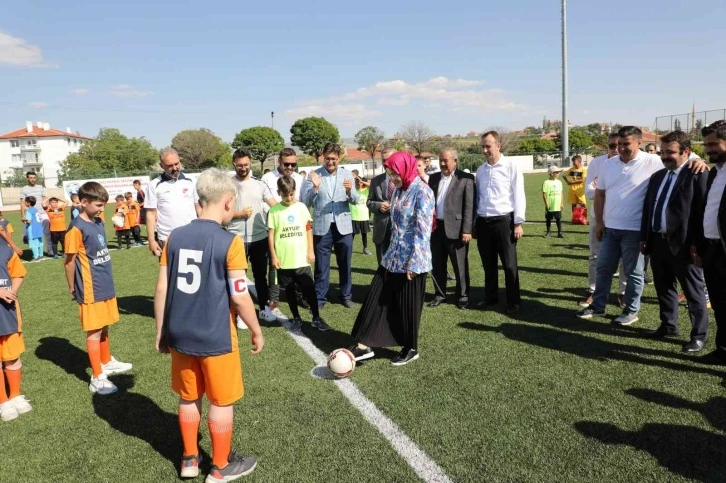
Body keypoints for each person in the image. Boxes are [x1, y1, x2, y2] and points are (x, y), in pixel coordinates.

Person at [154, 168, 262, 481]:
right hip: (215, 336)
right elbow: (241, 297)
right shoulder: (231, 242)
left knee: (188, 396)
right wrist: (255, 330)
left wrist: (161, 331)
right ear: (228, 202)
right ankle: (220, 467)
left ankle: (189, 459)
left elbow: (161, 287)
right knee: (221, 400)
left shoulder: (174, 236)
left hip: (180, 333)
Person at [577, 126, 707, 325]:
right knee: (603, 268)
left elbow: (683, 155)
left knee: (634, 273)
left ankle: (631, 311)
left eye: (626, 144)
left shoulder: (653, 161)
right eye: (618, 144)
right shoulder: (608, 164)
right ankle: (598, 305)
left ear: (639, 143)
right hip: (610, 228)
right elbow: (600, 193)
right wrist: (600, 222)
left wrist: (698, 160)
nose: (621, 148)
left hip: (635, 229)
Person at [349, 152, 434, 366]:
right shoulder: (398, 190)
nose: (393, 178)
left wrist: (414, 264)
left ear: (406, 168)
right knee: (376, 298)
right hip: (392, 258)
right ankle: (364, 344)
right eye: (390, 173)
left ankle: (410, 348)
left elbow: (423, 232)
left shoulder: (423, 191)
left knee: (408, 306)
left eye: (395, 173)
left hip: (413, 261)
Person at [639, 131, 709, 353]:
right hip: (658, 242)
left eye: (670, 152)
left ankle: (698, 336)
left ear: (686, 152)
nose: (665, 156)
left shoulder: (698, 174)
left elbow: (702, 213)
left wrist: (698, 245)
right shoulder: (657, 176)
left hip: (685, 244)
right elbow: (648, 209)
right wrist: (645, 236)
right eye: (663, 151)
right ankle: (668, 326)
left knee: (693, 292)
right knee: (664, 287)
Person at [64, 182, 132, 396]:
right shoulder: (75, 228)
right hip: (90, 286)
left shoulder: (99, 221)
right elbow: (68, 261)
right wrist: (72, 286)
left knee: (104, 326)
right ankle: (97, 377)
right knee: (94, 331)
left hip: (105, 282)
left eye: (104, 205)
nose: (102, 209)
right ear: (83, 202)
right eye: (98, 205)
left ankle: (105, 361)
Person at [227, 149, 285, 325]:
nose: (243, 168)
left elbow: (274, 206)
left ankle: (264, 310)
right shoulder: (227, 185)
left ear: (250, 163)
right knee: (238, 278)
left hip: (259, 238)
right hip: (235, 238)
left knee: (260, 277)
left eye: (245, 164)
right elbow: (222, 213)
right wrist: (238, 214)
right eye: (239, 165)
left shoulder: (259, 184)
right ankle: (240, 315)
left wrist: (291, 208)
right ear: (234, 164)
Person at [301, 142, 359, 309]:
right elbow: (305, 202)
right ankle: (319, 298)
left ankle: (346, 295)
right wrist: (315, 187)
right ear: (323, 158)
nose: (330, 162)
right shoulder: (313, 175)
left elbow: (355, 200)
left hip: (344, 226)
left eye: (333, 158)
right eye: (327, 158)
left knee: (345, 263)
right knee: (321, 266)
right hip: (322, 226)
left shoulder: (347, 174)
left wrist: (349, 191)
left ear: (339, 158)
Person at [475, 131, 526, 315]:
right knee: (488, 264)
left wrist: (518, 222)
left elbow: (519, 194)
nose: (485, 150)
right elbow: (478, 197)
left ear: (498, 145)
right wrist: (475, 223)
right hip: (483, 222)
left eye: (488, 146)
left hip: (504, 221)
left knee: (509, 264)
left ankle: (513, 300)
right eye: (483, 146)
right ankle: (491, 298)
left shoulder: (511, 167)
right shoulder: (480, 171)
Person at [268, 175, 327, 331]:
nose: (289, 197)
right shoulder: (274, 211)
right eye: (285, 194)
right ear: (278, 192)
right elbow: (271, 235)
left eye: (291, 194)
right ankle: (296, 318)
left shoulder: (301, 207)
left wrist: (311, 251)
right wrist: (273, 255)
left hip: (301, 259)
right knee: (289, 290)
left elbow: (308, 229)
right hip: (284, 259)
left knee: (309, 289)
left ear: (294, 191)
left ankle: (316, 317)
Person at [581, 133, 627, 307]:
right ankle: (593, 291)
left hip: (622, 218)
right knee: (595, 256)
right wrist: (610, 191)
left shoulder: (631, 163)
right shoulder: (597, 163)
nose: (616, 149)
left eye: (620, 144)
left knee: (624, 258)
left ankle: (622, 293)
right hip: (598, 216)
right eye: (612, 146)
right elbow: (590, 192)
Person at [694, 120, 726, 364]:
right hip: (713, 248)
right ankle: (723, 350)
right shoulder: (715, 171)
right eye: (706, 145)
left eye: (714, 143)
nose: (708, 149)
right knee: (719, 302)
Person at [428, 148, 475, 310]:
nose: (442, 163)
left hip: (457, 230)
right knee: (437, 264)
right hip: (436, 229)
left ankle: (462, 296)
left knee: (459, 265)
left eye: (445, 160)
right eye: (440, 160)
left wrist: (467, 230)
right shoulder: (433, 178)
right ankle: (440, 294)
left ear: (455, 161)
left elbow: (469, 207)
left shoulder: (466, 178)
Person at [260, 148, 305, 311]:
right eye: (287, 164)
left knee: (299, 262)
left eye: (294, 164)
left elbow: (301, 203)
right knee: (274, 263)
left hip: (295, 228)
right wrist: (281, 211)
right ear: (279, 161)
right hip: (275, 226)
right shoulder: (267, 178)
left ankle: (300, 295)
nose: (291, 167)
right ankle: (273, 298)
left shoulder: (299, 179)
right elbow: (263, 202)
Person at [146, 148, 200, 257]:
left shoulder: (191, 181)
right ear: (162, 166)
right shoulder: (154, 185)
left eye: (177, 164)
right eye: (170, 165)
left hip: (192, 236)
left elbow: (199, 208)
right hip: (166, 238)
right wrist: (151, 241)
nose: (175, 168)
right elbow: (150, 214)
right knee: (168, 273)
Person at [0, 242, 28, 422]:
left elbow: (18, 273)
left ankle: (15, 395)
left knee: (13, 356)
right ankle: (3, 401)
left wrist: (12, 291)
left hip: (7, 312)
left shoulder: (4, 248)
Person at [367, 147, 397, 265]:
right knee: (383, 262)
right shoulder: (375, 181)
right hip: (381, 228)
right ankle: (383, 283)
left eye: (388, 159)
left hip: (400, 227)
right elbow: (369, 202)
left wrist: (393, 205)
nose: (386, 163)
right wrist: (379, 205)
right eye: (383, 160)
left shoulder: (405, 180)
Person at [19, 172, 50, 255]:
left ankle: (50, 251)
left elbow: (44, 199)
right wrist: (22, 215)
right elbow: (22, 203)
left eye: (34, 178)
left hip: (42, 213)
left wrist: (47, 209)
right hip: (31, 214)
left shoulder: (40, 188)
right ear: (27, 179)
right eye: (31, 178)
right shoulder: (24, 189)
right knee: (31, 233)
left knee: (46, 231)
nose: (33, 179)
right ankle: (34, 252)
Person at [350, 169, 371, 255]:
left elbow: (371, 185)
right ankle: (349, 248)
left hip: (364, 217)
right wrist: (354, 179)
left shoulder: (365, 190)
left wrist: (361, 180)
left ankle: (365, 248)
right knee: (352, 235)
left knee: (364, 234)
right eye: (356, 182)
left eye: (359, 182)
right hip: (354, 217)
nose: (358, 183)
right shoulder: (352, 191)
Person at [543, 166, 565, 238]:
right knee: (548, 219)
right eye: (557, 172)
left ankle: (560, 232)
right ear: (552, 174)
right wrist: (547, 204)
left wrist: (561, 203)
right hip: (550, 204)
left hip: (557, 204)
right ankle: (548, 232)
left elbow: (561, 193)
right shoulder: (546, 183)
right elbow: (544, 194)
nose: (558, 174)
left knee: (558, 218)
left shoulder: (559, 182)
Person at [23, 197, 44, 261]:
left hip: (32, 229)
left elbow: (29, 221)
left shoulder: (29, 211)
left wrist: (24, 220)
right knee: (39, 241)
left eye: (25, 201)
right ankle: (41, 254)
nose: (25, 203)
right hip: (38, 227)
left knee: (32, 243)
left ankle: (35, 256)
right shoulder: (35, 209)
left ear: (28, 203)